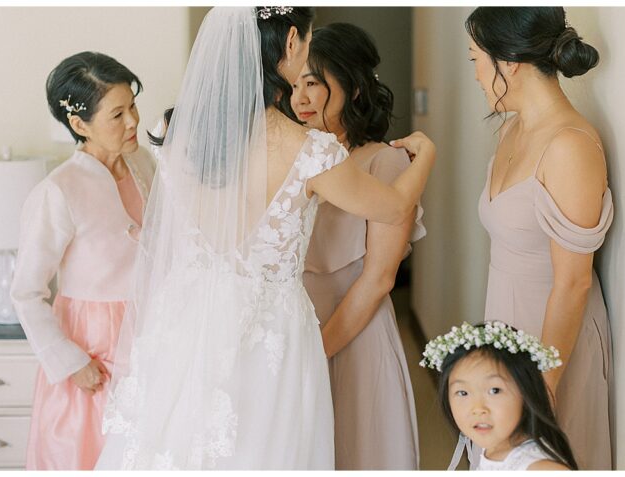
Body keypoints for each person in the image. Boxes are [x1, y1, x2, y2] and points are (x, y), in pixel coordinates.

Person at [95, 7, 435, 469]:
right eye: (310, 43)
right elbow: (396, 208)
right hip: (270, 331)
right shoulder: (310, 150)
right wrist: (426, 156)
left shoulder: (171, 130)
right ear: (291, 40)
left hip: (187, 319)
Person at [466, 7, 613, 469]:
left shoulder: (569, 144)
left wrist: (543, 385)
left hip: (553, 337)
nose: (474, 75)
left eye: (475, 59)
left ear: (507, 62)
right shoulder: (511, 127)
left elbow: (574, 283)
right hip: (504, 320)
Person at [11, 51, 154, 470]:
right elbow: (26, 293)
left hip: (148, 338)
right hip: (91, 353)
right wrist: (69, 361)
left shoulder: (144, 164)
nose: (132, 122)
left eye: (133, 106)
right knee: (87, 456)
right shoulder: (58, 191)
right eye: (117, 114)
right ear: (79, 124)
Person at [293, 22, 422, 470]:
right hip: (295, 332)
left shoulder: (383, 161)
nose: (300, 99)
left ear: (353, 85)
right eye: (294, 85)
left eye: (313, 83)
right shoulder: (292, 158)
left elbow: (380, 278)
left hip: (355, 336)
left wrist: (315, 352)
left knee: (359, 449)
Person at [421, 321, 577, 471]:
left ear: (526, 390)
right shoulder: (493, 450)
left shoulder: (540, 469)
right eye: (463, 393)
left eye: (494, 390)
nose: (477, 408)